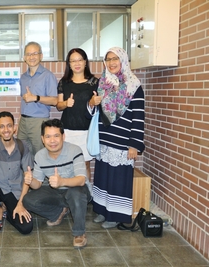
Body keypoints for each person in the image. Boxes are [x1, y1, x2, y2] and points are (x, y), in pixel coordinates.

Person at [91, 47, 145, 229]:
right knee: (103, 176)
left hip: (122, 142)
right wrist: (92, 104)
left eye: (115, 58)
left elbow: (138, 116)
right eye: (108, 59)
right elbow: (96, 112)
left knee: (118, 179)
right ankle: (101, 210)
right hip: (104, 139)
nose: (112, 62)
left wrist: (134, 145)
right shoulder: (103, 83)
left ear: (123, 60)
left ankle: (114, 216)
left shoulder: (133, 85)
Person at [22, 119, 91, 248]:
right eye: (48, 136)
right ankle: (59, 211)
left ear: (63, 136)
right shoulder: (39, 156)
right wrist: (30, 180)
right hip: (55, 190)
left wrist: (62, 181)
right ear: (42, 139)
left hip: (76, 188)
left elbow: (82, 179)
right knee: (28, 200)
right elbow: (37, 185)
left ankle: (79, 233)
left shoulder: (74, 150)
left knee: (76, 194)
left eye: (56, 136)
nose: (52, 140)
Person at [56, 48, 99, 190]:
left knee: (85, 164)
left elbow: (99, 104)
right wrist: (65, 103)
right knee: (68, 164)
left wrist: (94, 101)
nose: (77, 63)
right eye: (73, 61)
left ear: (85, 62)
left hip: (87, 131)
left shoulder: (94, 82)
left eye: (80, 59)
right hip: (68, 130)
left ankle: (87, 194)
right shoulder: (64, 82)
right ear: (69, 64)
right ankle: (68, 196)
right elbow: (58, 105)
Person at [18, 41, 58, 157]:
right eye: (28, 54)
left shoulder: (48, 75)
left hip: (39, 121)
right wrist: (19, 121)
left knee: (40, 156)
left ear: (41, 56)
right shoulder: (23, 77)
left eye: (35, 53)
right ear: (24, 57)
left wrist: (35, 98)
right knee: (23, 154)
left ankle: (42, 176)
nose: (31, 57)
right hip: (23, 123)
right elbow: (23, 102)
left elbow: (54, 101)